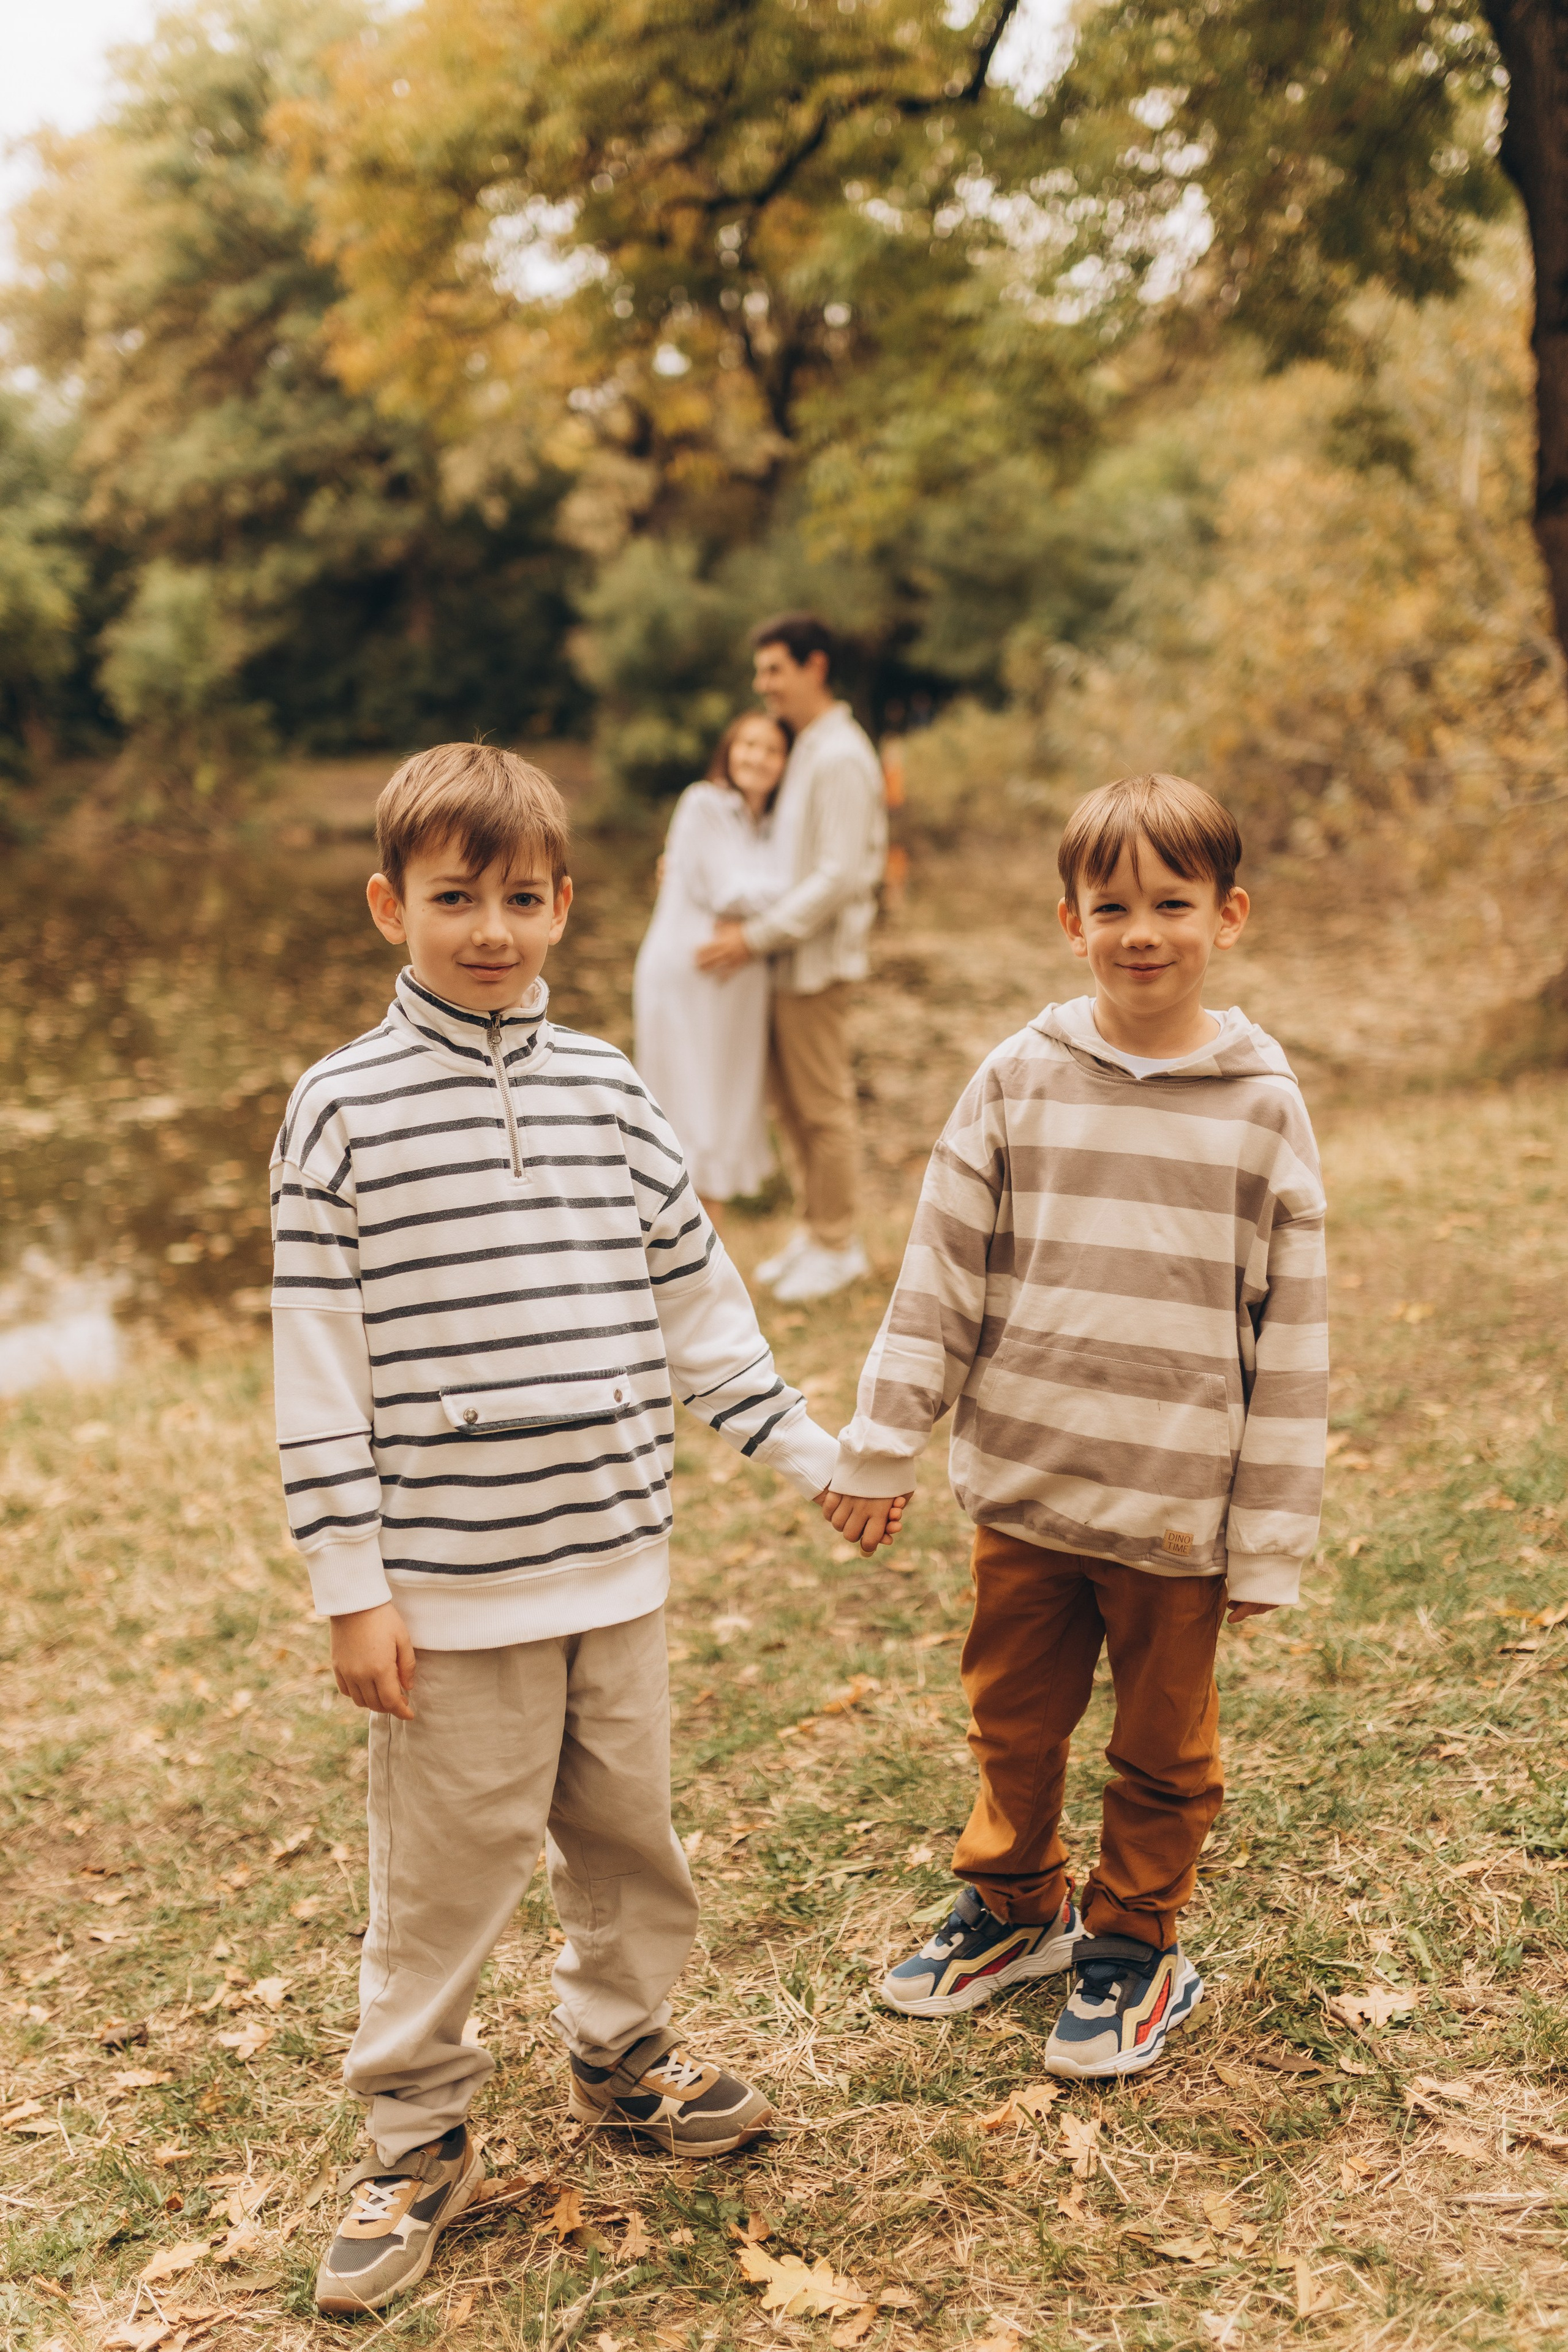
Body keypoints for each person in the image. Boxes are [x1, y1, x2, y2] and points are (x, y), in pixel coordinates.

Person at [270, 744, 862, 2315]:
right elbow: (316, 1370)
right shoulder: (337, 1111)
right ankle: (413, 2133)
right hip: (451, 1590)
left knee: (627, 1835)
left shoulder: (610, 1088)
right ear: (389, 902)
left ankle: (623, 2049)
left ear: (563, 905)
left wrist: (810, 1451)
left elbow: (701, 1311)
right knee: (448, 1867)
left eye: (520, 898)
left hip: (617, 1560)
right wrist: (352, 1586)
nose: (489, 929)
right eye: (453, 897)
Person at [818, 771, 1328, 2079]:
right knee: (1011, 1717)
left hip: (1175, 1508)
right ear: (1068, 922)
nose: (1139, 931)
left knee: (1161, 1748)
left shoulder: (1261, 1106)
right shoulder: (1015, 1080)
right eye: (1111, 906)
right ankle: (1014, 1904)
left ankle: (1134, 1943)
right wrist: (880, 1445)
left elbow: (1292, 1343)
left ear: (1229, 915)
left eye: (1171, 903)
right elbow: (939, 1272)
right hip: (1026, 1487)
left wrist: (1266, 1539)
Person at [696, 613, 887, 1304]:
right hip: (783, 960)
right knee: (792, 1106)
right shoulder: (806, 746)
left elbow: (839, 877)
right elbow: (775, 851)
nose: (762, 684)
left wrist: (752, 938)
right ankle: (814, 1233)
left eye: (774, 668)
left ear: (815, 668)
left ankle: (840, 1244)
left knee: (822, 1107)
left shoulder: (840, 755)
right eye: (761, 671)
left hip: (815, 964)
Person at [633, 711, 791, 1207]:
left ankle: (706, 1259)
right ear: (728, 749)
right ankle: (683, 1257)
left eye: (771, 749)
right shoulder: (703, 803)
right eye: (747, 744)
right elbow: (728, 892)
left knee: (722, 1113)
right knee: (687, 1111)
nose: (757, 758)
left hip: (737, 989)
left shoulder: (772, 826)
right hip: (687, 979)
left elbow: (747, 893)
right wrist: (813, 892)